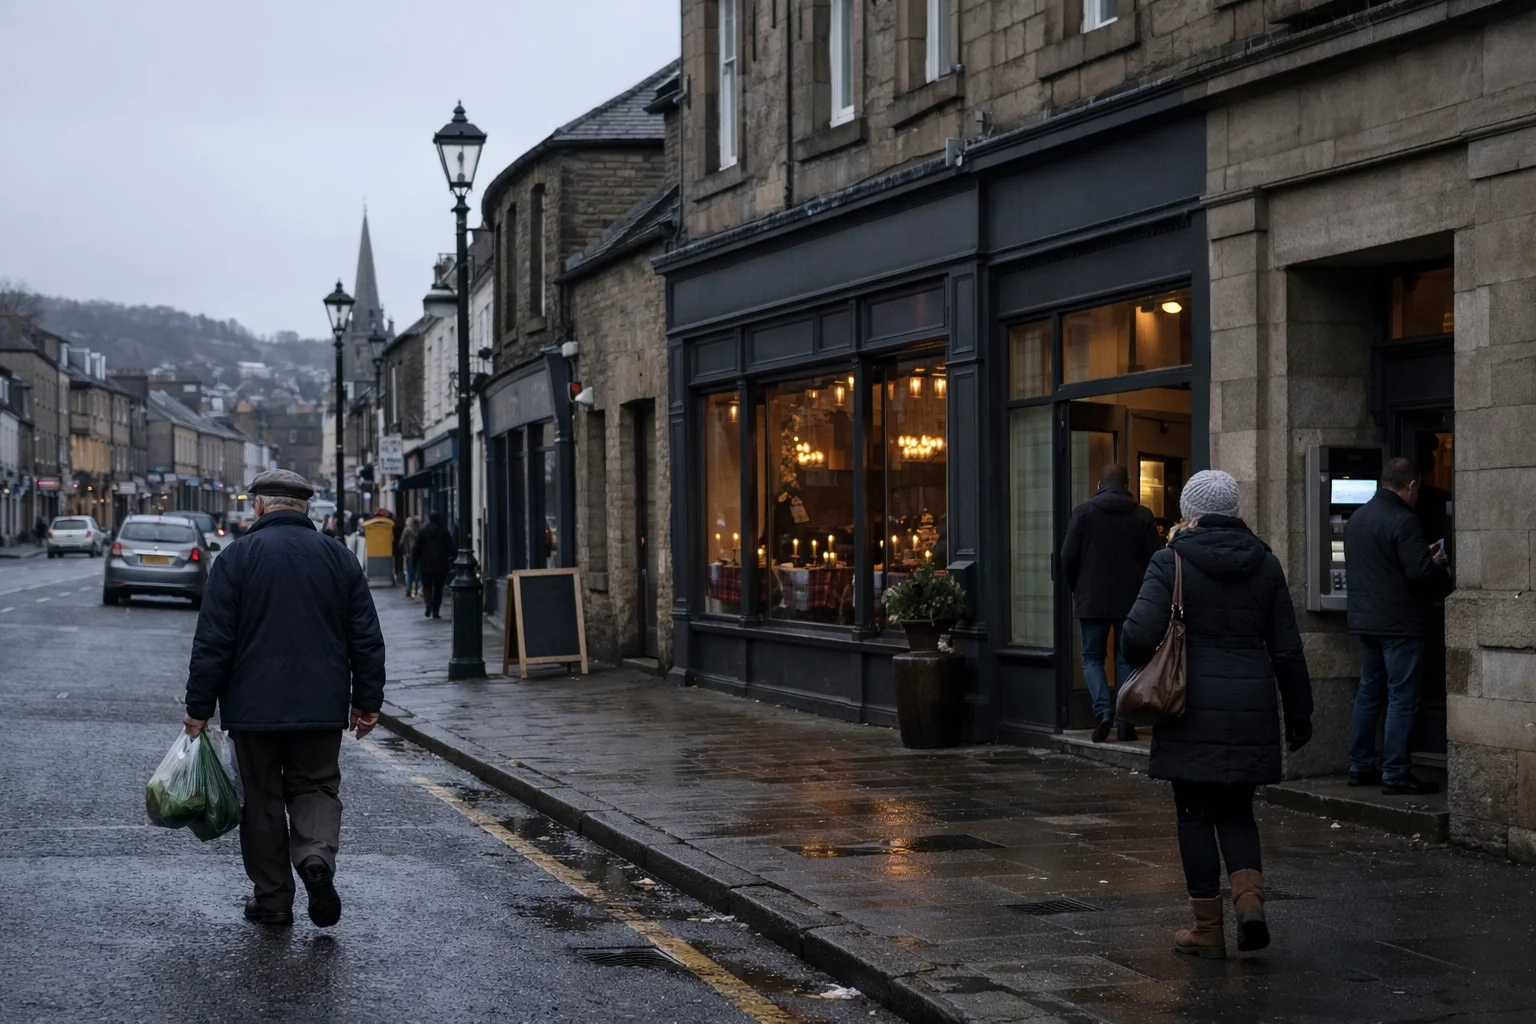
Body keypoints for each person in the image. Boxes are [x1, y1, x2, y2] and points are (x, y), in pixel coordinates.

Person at [182, 469, 386, 929]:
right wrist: (367, 700)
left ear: (259, 506)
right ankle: (315, 858)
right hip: (320, 706)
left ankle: (273, 900)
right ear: (304, 508)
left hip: (253, 712)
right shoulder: (338, 558)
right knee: (315, 786)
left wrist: (198, 709)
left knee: (262, 800)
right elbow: (366, 638)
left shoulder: (235, 559)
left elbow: (212, 642)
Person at [1122, 469, 1312, 959]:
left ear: (1189, 510)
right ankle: (1251, 907)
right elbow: (1288, 651)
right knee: (1237, 811)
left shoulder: (1171, 561)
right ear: (1233, 509)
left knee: (1193, 814)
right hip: (1250, 708)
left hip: (1189, 707)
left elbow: (1138, 637)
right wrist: (1300, 715)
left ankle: (1207, 928)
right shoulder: (1266, 564)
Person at [1343, 456, 1451, 796]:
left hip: (1366, 620)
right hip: (1400, 623)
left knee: (1369, 692)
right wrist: (1438, 565)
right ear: (1412, 485)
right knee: (1402, 696)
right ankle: (1396, 771)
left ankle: (1360, 766)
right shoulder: (1404, 520)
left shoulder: (1358, 517)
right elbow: (1418, 572)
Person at [1060, 464, 1163, 743]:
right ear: (1128, 484)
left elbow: (1067, 556)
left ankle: (1103, 711)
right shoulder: (1142, 516)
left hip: (1092, 598)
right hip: (1132, 599)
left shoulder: (1084, 513)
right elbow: (1156, 560)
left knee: (1093, 657)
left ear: (1099, 485)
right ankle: (1125, 720)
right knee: (1125, 658)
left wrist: (1077, 587)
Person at [412, 510, 454, 619]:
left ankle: (428, 603)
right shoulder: (444, 531)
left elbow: (416, 549)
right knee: (438, 588)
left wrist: (415, 561)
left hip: (426, 564)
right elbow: (450, 548)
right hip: (441, 564)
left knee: (427, 586)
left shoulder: (422, 532)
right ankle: (436, 611)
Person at [400, 515, 421, 599]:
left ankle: (409, 590)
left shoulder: (406, 530)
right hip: (418, 554)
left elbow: (401, 543)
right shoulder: (419, 531)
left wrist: (405, 552)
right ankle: (415, 589)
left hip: (410, 555)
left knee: (410, 573)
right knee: (417, 572)